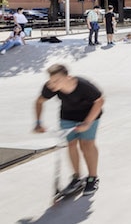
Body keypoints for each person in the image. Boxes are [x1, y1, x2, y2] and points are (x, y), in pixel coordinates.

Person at [34, 63, 105, 196]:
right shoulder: (51, 87)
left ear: (68, 77)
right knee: (71, 145)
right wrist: (38, 122)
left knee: (86, 145)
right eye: (51, 81)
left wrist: (87, 122)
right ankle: (76, 178)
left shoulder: (83, 85)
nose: (52, 84)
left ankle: (92, 178)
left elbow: (99, 101)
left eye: (56, 81)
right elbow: (39, 102)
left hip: (89, 115)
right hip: (67, 116)